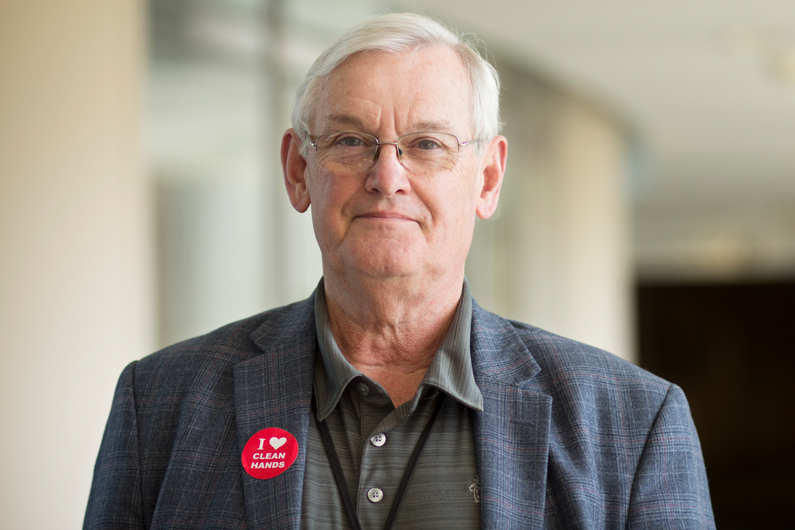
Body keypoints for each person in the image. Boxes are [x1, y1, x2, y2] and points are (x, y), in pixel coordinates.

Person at [84, 13, 714, 530]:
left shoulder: (632, 425)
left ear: (487, 179)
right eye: (351, 141)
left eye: (427, 145)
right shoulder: (161, 405)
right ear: (299, 171)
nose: (388, 177)